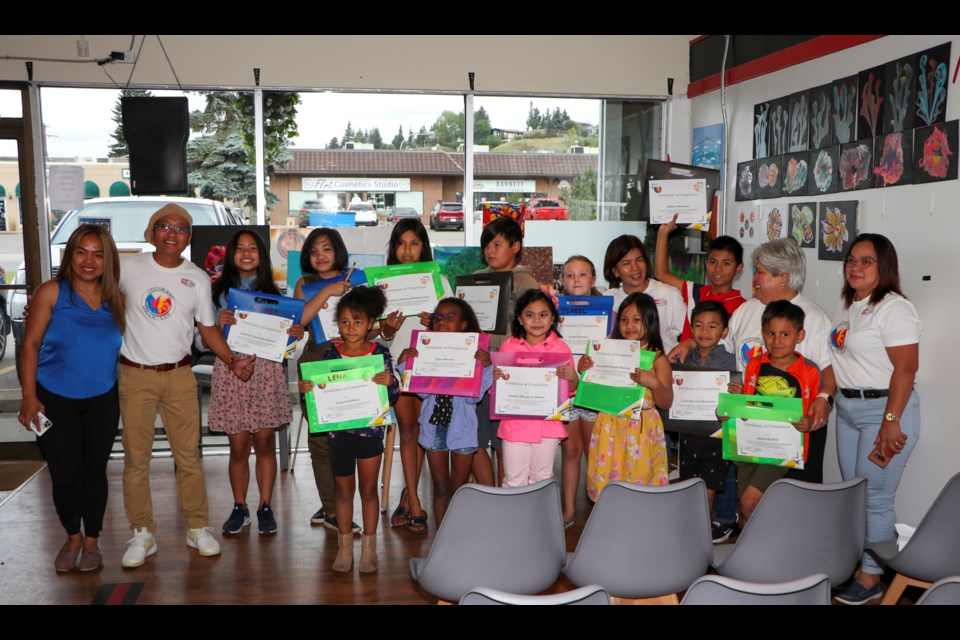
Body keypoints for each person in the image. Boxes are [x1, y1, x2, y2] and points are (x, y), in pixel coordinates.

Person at [119, 204, 256, 568]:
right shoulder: (128, 267)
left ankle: (197, 527)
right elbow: (98, 299)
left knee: (189, 457)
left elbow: (208, 330)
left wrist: (232, 360)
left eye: (181, 228)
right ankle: (142, 533)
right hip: (134, 374)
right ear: (152, 230)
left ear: (188, 237)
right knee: (136, 460)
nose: (172, 233)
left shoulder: (196, 277)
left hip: (179, 374)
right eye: (164, 225)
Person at [675, 238, 837, 480]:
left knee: (789, 497)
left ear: (782, 276)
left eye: (760, 273)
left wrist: (824, 399)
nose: (754, 280)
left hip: (792, 427)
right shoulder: (747, 310)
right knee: (747, 496)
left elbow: (829, 369)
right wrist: (689, 342)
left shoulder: (812, 317)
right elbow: (721, 345)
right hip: (749, 424)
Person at [18, 224, 125, 572]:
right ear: (70, 256)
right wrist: (29, 396)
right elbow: (30, 345)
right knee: (64, 475)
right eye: (82, 252)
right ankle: (72, 537)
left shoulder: (116, 298)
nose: (89, 261)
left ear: (107, 259)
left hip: (102, 399)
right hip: (54, 398)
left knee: (95, 471)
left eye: (97, 254)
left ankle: (91, 541)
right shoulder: (51, 292)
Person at [830, 234, 921, 605]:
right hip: (848, 409)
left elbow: (906, 368)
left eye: (866, 261)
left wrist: (891, 420)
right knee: (856, 492)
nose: (855, 267)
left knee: (876, 499)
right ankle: (861, 565)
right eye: (852, 259)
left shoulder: (894, 308)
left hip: (883, 411)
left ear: (884, 266)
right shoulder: (852, 305)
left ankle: (872, 576)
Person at [205, 230, 304, 536]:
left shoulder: (276, 294)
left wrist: (295, 334)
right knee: (237, 447)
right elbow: (203, 338)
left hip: (266, 372)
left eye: (253, 249)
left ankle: (264, 505)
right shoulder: (215, 294)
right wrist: (219, 324)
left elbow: (286, 341)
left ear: (262, 257)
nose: (246, 253)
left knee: (264, 443)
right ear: (231, 255)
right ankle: (239, 507)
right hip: (231, 369)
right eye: (240, 249)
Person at [298, 286, 399, 573]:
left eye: (358, 321)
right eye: (345, 322)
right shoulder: (330, 353)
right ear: (338, 324)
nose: (351, 327)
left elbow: (393, 394)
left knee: (368, 491)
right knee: (343, 491)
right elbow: (321, 393)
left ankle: (369, 548)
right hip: (339, 435)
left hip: (369, 434)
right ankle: (344, 549)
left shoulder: (380, 353)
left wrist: (389, 383)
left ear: (370, 324)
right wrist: (309, 388)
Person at [377, 218, 452, 534]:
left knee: (424, 432)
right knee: (408, 431)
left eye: (414, 243)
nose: (407, 250)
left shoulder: (440, 282)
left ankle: (408, 496)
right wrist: (386, 331)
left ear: (424, 247)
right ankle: (415, 502)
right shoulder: (379, 286)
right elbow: (374, 339)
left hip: (432, 368)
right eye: (401, 243)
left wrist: (436, 323)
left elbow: (455, 328)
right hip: (397, 366)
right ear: (394, 248)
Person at [397, 297, 492, 527]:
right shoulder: (426, 351)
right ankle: (442, 537)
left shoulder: (475, 354)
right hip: (434, 427)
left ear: (464, 325)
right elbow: (421, 393)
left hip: (463, 429)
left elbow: (476, 396)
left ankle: (456, 534)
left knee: (458, 487)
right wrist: (404, 364)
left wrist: (486, 367)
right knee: (440, 487)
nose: (442, 321)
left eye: (450, 317)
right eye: (438, 317)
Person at [728, 300, 821, 522]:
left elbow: (815, 414)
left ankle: (768, 546)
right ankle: (754, 551)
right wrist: (735, 403)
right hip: (750, 445)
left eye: (785, 334)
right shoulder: (754, 365)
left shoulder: (810, 372)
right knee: (744, 505)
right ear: (762, 333)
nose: (777, 341)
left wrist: (809, 423)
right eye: (771, 333)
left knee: (750, 501)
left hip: (781, 449)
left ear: (800, 336)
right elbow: (749, 405)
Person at [292, 227, 359, 534]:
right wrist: (327, 292)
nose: (320, 256)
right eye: (314, 251)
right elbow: (299, 322)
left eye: (327, 249)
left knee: (346, 441)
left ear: (338, 252)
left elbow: (368, 325)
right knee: (320, 441)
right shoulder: (304, 284)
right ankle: (332, 509)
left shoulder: (355, 279)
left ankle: (336, 502)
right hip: (315, 361)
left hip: (351, 362)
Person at [583, 293, 673, 499]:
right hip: (609, 425)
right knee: (607, 480)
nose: (629, 325)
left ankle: (638, 521)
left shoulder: (658, 359)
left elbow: (666, 401)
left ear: (650, 321)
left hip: (641, 429)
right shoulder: (607, 350)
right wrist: (585, 368)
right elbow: (594, 387)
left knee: (639, 479)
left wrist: (653, 383)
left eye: (636, 319)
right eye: (624, 319)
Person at [472, 216, 539, 486]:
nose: (490, 250)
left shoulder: (526, 284)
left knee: (504, 442)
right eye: (487, 244)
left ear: (515, 247)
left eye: (497, 244)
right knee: (473, 439)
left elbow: (535, 330)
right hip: (477, 371)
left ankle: (506, 493)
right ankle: (488, 493)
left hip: (508, 375)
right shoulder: (474, 280)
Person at [494, 289, 578, 488]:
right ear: (520, 319)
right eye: (529, 315)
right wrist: (496, 378)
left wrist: (574, 377)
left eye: (543, 314)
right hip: (515, 424)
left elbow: (570, 390)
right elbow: (500, 390)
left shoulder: (561, 348)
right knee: (514, 479)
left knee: (542, 477)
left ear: (552, 319)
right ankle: (514, 519)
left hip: (547, 426)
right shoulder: (508, 346)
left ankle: (539, 518)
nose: (537, 320)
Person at [675, 300, 738, 542]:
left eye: (712, 327)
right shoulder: (682, 359)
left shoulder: (730, 363)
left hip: (717, 435)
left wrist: (736, 391)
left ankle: (701, 533)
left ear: (724, 332)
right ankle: (690, 526)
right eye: (698, 326)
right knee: (689, 482)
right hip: (688, 434)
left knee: (709, 486)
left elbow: (737, 397)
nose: (704, 332)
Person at [556, 255, 604, 524]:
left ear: (593, 279)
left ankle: (600, 507)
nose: (576, 280)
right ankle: (569, 510)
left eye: (582, 274)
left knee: (594, 452)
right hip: (566, 390)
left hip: (593, 392)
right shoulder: (555, 311)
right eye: (570, 275)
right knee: (570, 451)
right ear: (563, 280)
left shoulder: (608, 312)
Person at [655, 214, 746, 341]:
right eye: (713, 262)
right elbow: (661, 274)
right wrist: (663, 233)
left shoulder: (743, 308)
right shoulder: (695, 291)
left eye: (726, 263)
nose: (718, 269)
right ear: (705, 263)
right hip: (684, 360)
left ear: (739, 268)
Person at [602, 234, 685, 354]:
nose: (635, 268)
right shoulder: (608, 300)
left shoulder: (669, 294)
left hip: (665, 367)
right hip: (622, 368)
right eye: (626, 263)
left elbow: (690, 335)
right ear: (615, 271)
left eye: (639, 260)